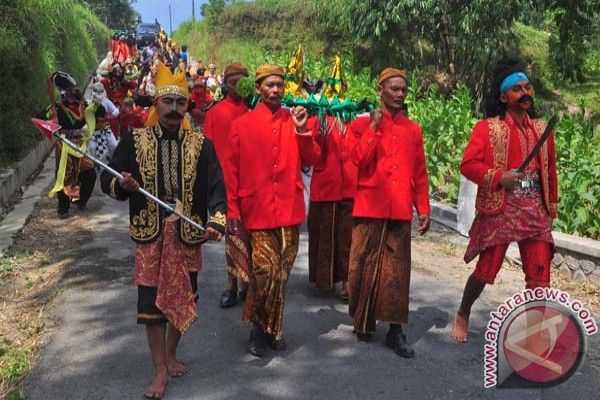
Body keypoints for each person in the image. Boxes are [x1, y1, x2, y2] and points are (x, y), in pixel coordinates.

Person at [100, 62, 227, 399]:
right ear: (156, 104)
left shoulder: (202, 145)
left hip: (186, 235)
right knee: (150, 307)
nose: (173, 109)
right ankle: (159, 370)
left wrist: (217, 220)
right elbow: (106, 178)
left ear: (188, 107)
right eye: (167, 103)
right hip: (150, 236)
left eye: (180, 104)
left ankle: (171, 354)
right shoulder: (134, 141)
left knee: (183, 300)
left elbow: (217, 186)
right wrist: (122, 184)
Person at [450, 58, 558, 343]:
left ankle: (534, 335)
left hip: (534, 208)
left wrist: (552, 207)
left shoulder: (542, 130)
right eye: (516, 89)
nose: (525, 92)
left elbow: (550, 170)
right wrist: (498, 177)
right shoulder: (487, 129)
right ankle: (463, 312)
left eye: (527, 87)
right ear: (502, 97)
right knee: (486, 272)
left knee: (539, 275)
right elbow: (468, 165)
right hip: (500, 207)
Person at [224, 64, 320, 357]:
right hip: (258, 210)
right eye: (270, 85)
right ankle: (257, 327)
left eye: (280, 85)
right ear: (258, 89)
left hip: (289, 211)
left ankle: (273, 329)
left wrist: (303, 130)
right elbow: (231, 171)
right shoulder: (241, 125)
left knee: (282, 275)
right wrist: (232, 210)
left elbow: (313, 158)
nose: (276, 90)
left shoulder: (296, 121)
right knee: (266, 271)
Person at [347, 67, 430, 358]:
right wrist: (372, 129)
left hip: (399, 210)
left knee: (398, 272)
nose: (399, 94)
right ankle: (364, 319)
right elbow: (357, 160)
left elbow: (420, 172)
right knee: (362, 264)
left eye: (403, 90)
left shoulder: (413, 130)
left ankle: (396, 330)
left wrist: (424, 207)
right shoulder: (360, 125)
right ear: (380, 90)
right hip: (369, 207)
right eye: (394, 89)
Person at [204, 63, 250, 308]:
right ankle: (232, 285)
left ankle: (249, 284)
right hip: (225, 184)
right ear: (225, 84)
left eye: (242, 81)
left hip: (252, 183)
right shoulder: (215, 113)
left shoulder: (253, 112)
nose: (237, 86)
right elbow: (208, 152)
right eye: (233, 82)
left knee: (252, 236)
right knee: (232, 236)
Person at [307, 114, 357, 299]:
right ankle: (324, 279)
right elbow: (309, 152)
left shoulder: (355, 117)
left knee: (348, 237)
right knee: (324, 235)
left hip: (351, 186)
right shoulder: (318, 119)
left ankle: (348, 280)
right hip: (325, 186)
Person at [46, 84, 96, 217]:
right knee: (63, 174)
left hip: (79, 143)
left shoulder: (83, 106)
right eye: (69, 95)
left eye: (74, 95)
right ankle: (63, 208)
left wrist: (97, 104)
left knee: (89, 171)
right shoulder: (57, 106)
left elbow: (97, 114)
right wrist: (52, 116)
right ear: (64, 95)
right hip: (63, 144)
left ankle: (81, 201)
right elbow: (44, 117)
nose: (71, 97)